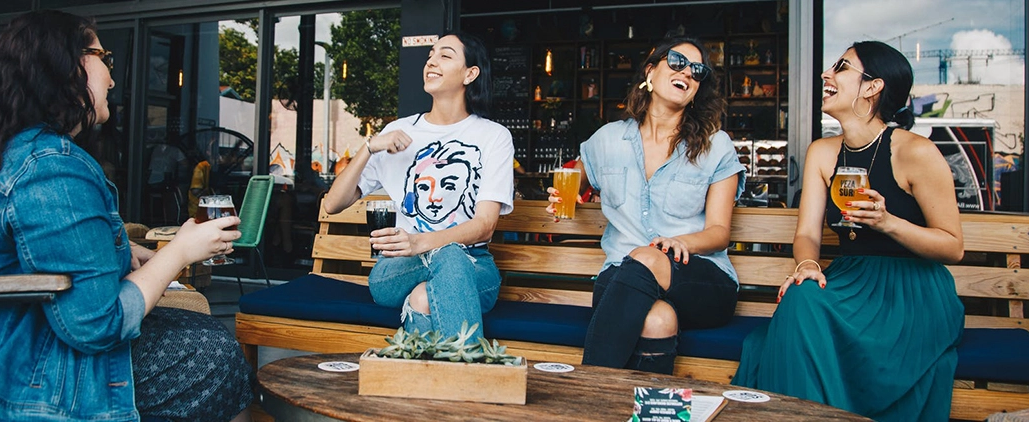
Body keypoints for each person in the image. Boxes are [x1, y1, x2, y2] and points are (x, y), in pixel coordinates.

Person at [0, 10, 252, 422]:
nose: (112, 79)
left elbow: (27, 254)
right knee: (214, 355)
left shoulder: (1, 152)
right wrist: (180, 251)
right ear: (66, 65)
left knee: (196, 332)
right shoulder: (50, 167)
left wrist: (121, 250)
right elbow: (97, 325)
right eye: (104, 58)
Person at [732, 41, 964, 420]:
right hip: (850, 279)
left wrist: (888, 223)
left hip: (910, 292)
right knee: (801, 297)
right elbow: (807, 234)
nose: (826, 73)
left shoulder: (916, 152)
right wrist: (808, 264)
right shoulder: (822, 152)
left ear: (872, 87)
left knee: (799, 315)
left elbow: (953, 247)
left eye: (841, 67)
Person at [551, 37, 744, 374]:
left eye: (697, 71)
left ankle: (587, 386)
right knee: (657, 320)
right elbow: (574, 179)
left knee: (648, 256)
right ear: (651, 71)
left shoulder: (716, 146)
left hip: (697, 277)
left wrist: (680, 242)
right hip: (621, 276)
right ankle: (642, 403)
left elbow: (719, 233)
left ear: (698, 89)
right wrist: (562, 196)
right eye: (677, 61)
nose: (687, 72)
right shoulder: (608, 140)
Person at [324, 31, 514, 342]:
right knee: (449, 255)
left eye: (445, 55)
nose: (431, 62)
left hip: (475, 267)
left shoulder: (493, 137)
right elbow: (333, 204)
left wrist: (420, 242)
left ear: (470, 74)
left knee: (424, 296)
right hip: (397, 269)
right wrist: (369, 147)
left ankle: (419, 370)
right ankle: (471, 366)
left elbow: (484, 226)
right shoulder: (397, 131)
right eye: (430, 55)